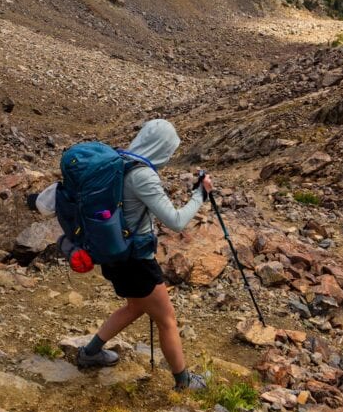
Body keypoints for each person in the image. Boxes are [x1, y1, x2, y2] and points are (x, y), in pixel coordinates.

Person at [30, 118, 212, 391]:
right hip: (136, 261)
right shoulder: (143, 174)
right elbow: (175, 221)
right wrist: (200, 195)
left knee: (136, 306)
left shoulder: (116, 161)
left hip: (112, 253)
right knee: (167, 320)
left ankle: (90, 353)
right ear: (161, 148)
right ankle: (183, 381)